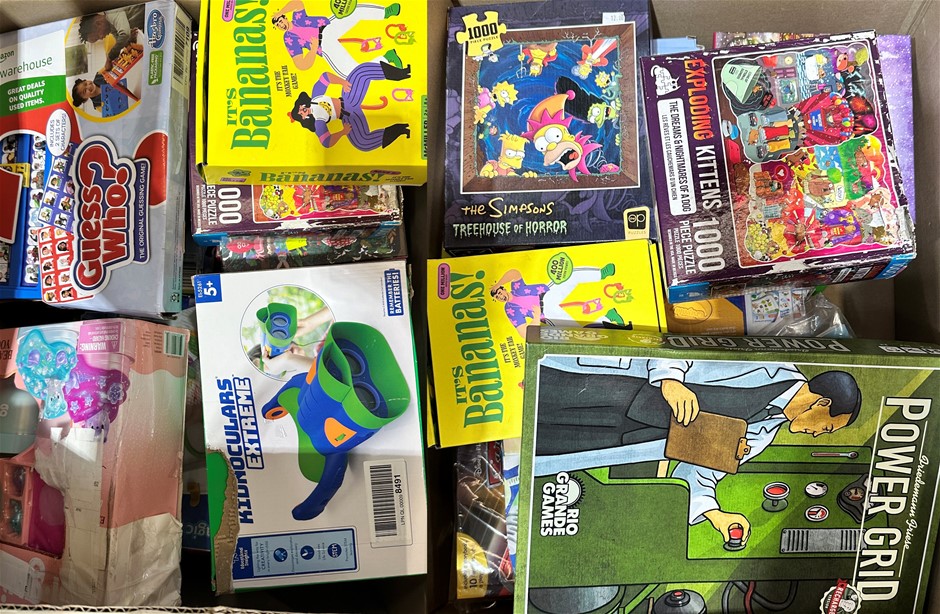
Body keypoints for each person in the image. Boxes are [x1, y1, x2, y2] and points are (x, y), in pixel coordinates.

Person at [533, 357, 862, 546]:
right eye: (827, 427)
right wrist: (671, 380)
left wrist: (714, 515)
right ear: (822, 403)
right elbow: (684, 347)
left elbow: (702, 473)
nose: (819, 433)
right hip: (610, 384)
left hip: (622, 440)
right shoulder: (768, 365)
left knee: (537, 444)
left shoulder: (762, 435)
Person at [289, 62, 411, 151]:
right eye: (300, 114)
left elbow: (325, 77)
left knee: (360, 72)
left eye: (300, 108)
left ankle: (401, 73)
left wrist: (342, 82)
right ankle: (400, 129)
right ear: (304, 118)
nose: (302, 111)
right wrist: (343, 132)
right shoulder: (318, 122)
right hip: (348, 117)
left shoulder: (315, 96)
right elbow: (326, 142)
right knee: (362, 142)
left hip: (348, 98)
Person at [489, 265, 625, 339]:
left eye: (499, 292)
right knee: (576, 335)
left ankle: (600, 273)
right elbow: (525, 334)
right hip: (547, 313)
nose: (500, 296)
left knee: (569, 275)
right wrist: (536, 318)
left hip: (547, 294)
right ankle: (609, 317)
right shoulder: (510, 309)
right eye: (497, 297)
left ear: (503, 288)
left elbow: (514, 272)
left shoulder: (516, 288)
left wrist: (497, 284)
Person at [271, 0, 402, 76]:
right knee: (351, 73)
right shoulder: (289, 39)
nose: (281, 25)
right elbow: (301, 64)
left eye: (280, 21)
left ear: (285, 17)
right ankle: (387, 58)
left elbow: (297, 3)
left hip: (327, 28)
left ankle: (385, 12)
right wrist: (313, 49)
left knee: (351, 12)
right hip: (324, 46)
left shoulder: (297, 18)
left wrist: (280, 11)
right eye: (278, 25)